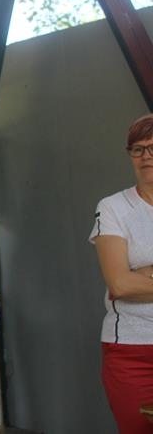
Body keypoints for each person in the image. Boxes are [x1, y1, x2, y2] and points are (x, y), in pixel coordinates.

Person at [89, 114, 153, 433]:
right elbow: (120, 283)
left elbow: (131, 281)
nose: (146, 157)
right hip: (131, 352)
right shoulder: (113, 207)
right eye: (137, 149)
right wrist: (128, 278)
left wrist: (142, 273)